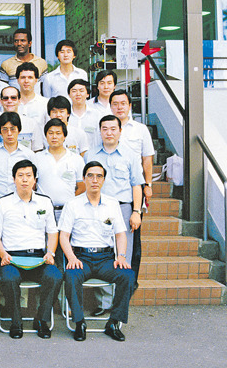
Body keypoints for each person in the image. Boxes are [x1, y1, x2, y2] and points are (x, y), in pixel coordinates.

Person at [59, 161, 136, 342]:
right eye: (90, 176)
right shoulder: (73, 204)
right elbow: (64, 235)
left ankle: (114, 322)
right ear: (84, 179)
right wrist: (71, 257)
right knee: (71, 275)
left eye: (99, 176)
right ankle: (79, 322)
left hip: (105, 258)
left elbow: (120, 234)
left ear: (103, 180)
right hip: (81, 257)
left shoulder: (112, 203)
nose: (94, 180)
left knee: (128, 275)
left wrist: (122, 256)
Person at [0, 159, 63, 339]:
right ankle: (16, 321)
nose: (24, 180)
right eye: (20, 176)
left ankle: (41, 319)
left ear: (34, 179)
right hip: (12, 258)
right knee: (9, 277)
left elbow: (52, 232)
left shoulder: (45, 202)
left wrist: (50, 253)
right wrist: (2, 255)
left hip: (39, 257)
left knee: (55, 275)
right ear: (13, 179)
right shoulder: (2, 203)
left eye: (28, 176)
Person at [84, 115, 144, 316]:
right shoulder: (90, 154)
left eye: (113, 129)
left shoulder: (130, 155)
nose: (109, 132)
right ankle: (105, 303)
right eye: (105, 129)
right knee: (103, 253)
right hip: (97, 208)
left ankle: (120, 302)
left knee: (122, 255)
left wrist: (136, 211)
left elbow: (137, 184)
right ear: (100, 131)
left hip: (123, 208)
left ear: (120, 131)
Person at [110, 89, 154, 282]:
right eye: (115, 104)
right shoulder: (106, 127)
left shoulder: (140, 129)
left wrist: (148, 184)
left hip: (134, 191)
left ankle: (130, 281)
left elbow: (147, 159)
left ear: (130, 106)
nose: (119, 107)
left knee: (133, 240)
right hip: (111, 191)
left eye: (123, 103)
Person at [33, 119, 85, 222]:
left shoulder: (76, 159)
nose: (54, 137)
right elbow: (33, 185)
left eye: (58, 133)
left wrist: (70, 204)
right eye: (50, 133)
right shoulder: (36, 158)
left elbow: (82, 187)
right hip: (42, 211)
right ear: (46, 136)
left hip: (68, 211)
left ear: (64, 136)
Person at [0, 112, 36, 200]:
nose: (9, 133)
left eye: (13, 129)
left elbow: (33, 182)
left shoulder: (28, 154)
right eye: (5, 129)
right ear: (0, 132)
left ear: (19, 130)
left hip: (20, 200)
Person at [0, 86, 42, 151]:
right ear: (1, 101)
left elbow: (37, 150)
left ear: (19, 101)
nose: (9, 101)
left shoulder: (31, 123)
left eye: (13, 98)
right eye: (5, 98)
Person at [67, 79, 101, 146]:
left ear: (87, 94)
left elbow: (99, 138)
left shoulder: (96, 115)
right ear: (69, 95)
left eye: (81, 91)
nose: (78, 94)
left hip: (91, 154)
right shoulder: (65, 115)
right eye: (74, 91)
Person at [16, 62, 48, 131]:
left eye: (30, 77)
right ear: (18, 80)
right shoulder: (10, 103)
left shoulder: (45, 103)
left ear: (36, 80)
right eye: (23, 77)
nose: (26, 81)